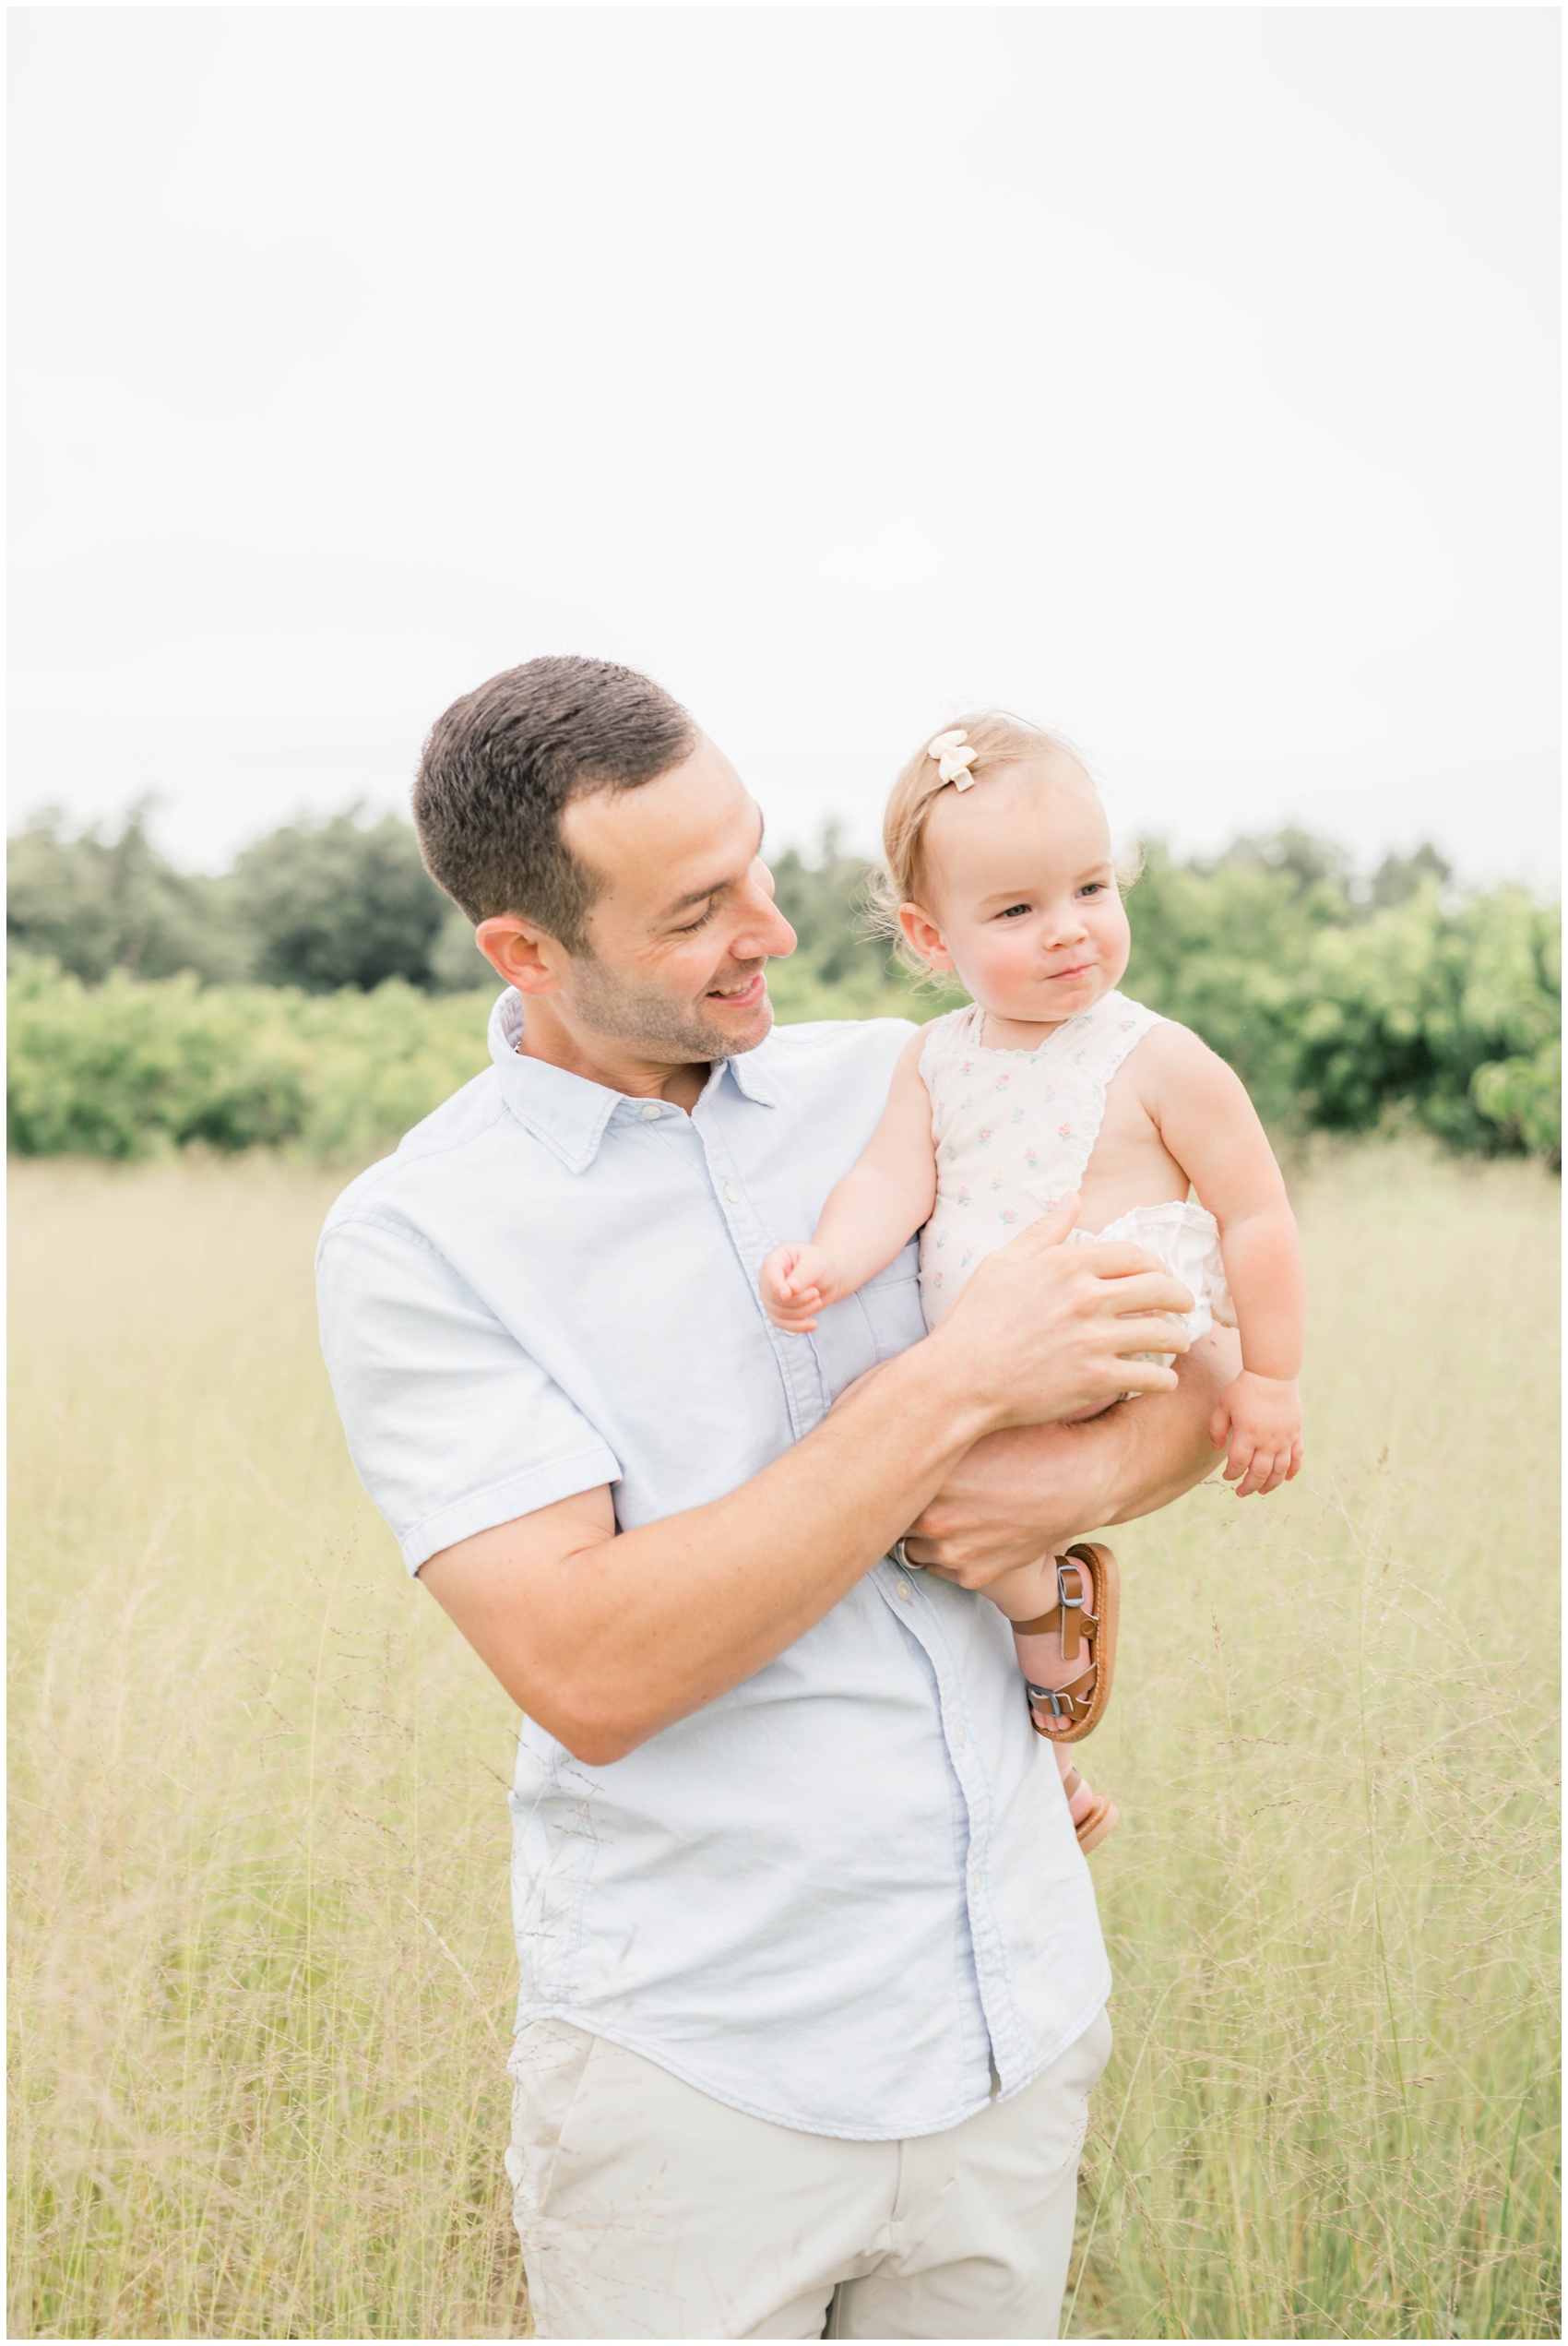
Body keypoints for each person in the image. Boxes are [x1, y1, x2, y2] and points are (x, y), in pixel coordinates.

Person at [315, 656, 1241, 2340]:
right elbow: (591, 1667)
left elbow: (1184, 1365)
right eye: (697, 910)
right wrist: (955, 1388)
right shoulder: (424, 1239)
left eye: (757, 859)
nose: (775, 929)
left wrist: (1075, 1488)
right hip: (706, 2076)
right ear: (528, 952)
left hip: (1008, 2020)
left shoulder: (915, 1072)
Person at [761, 713, 1305, 1851]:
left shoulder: (1158, 1057)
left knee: (960, 1486)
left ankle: (1050, 1661)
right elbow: (887, 1182)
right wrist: (829, 1260)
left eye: (1090, 889)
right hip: (992, 1357)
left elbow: (1255, 1212)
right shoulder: (935, 1056)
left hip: (1108, 1348)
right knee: (883, 1450)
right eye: (1015, 910)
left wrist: (1267, 1377)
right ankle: (1049, 1740)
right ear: (929, 933)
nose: (1068, 932)